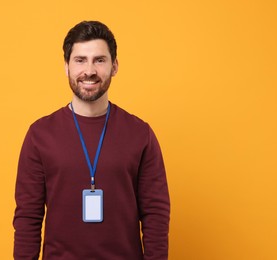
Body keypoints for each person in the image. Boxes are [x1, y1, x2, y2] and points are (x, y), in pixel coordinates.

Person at [13, 20, 170, 260]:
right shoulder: (40, 134)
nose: (89, 70)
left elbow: (156, 214)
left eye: (99, 59)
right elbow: (28, 217)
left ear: (114, 66)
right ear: (66, 66)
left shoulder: (140, 134)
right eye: (80, 60)